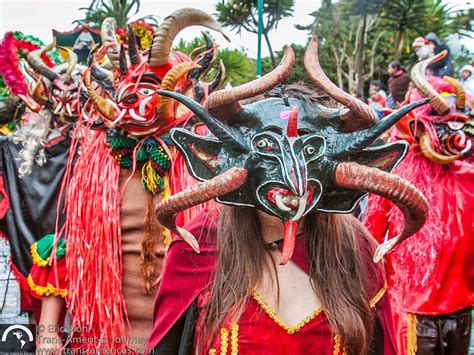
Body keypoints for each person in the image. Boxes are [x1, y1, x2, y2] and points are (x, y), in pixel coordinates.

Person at [147, 37, 429, 354]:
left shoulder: (359, 254)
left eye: (309, 151)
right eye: (268, 148)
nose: (292, 178)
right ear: (214, 161)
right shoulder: (199, 246)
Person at [365, 52, 473, 355]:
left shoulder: (469, 176)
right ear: (415, 125)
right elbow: (369, 243)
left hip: (462, 308)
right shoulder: (392, 178)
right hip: (411, 313)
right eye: (440, 123)